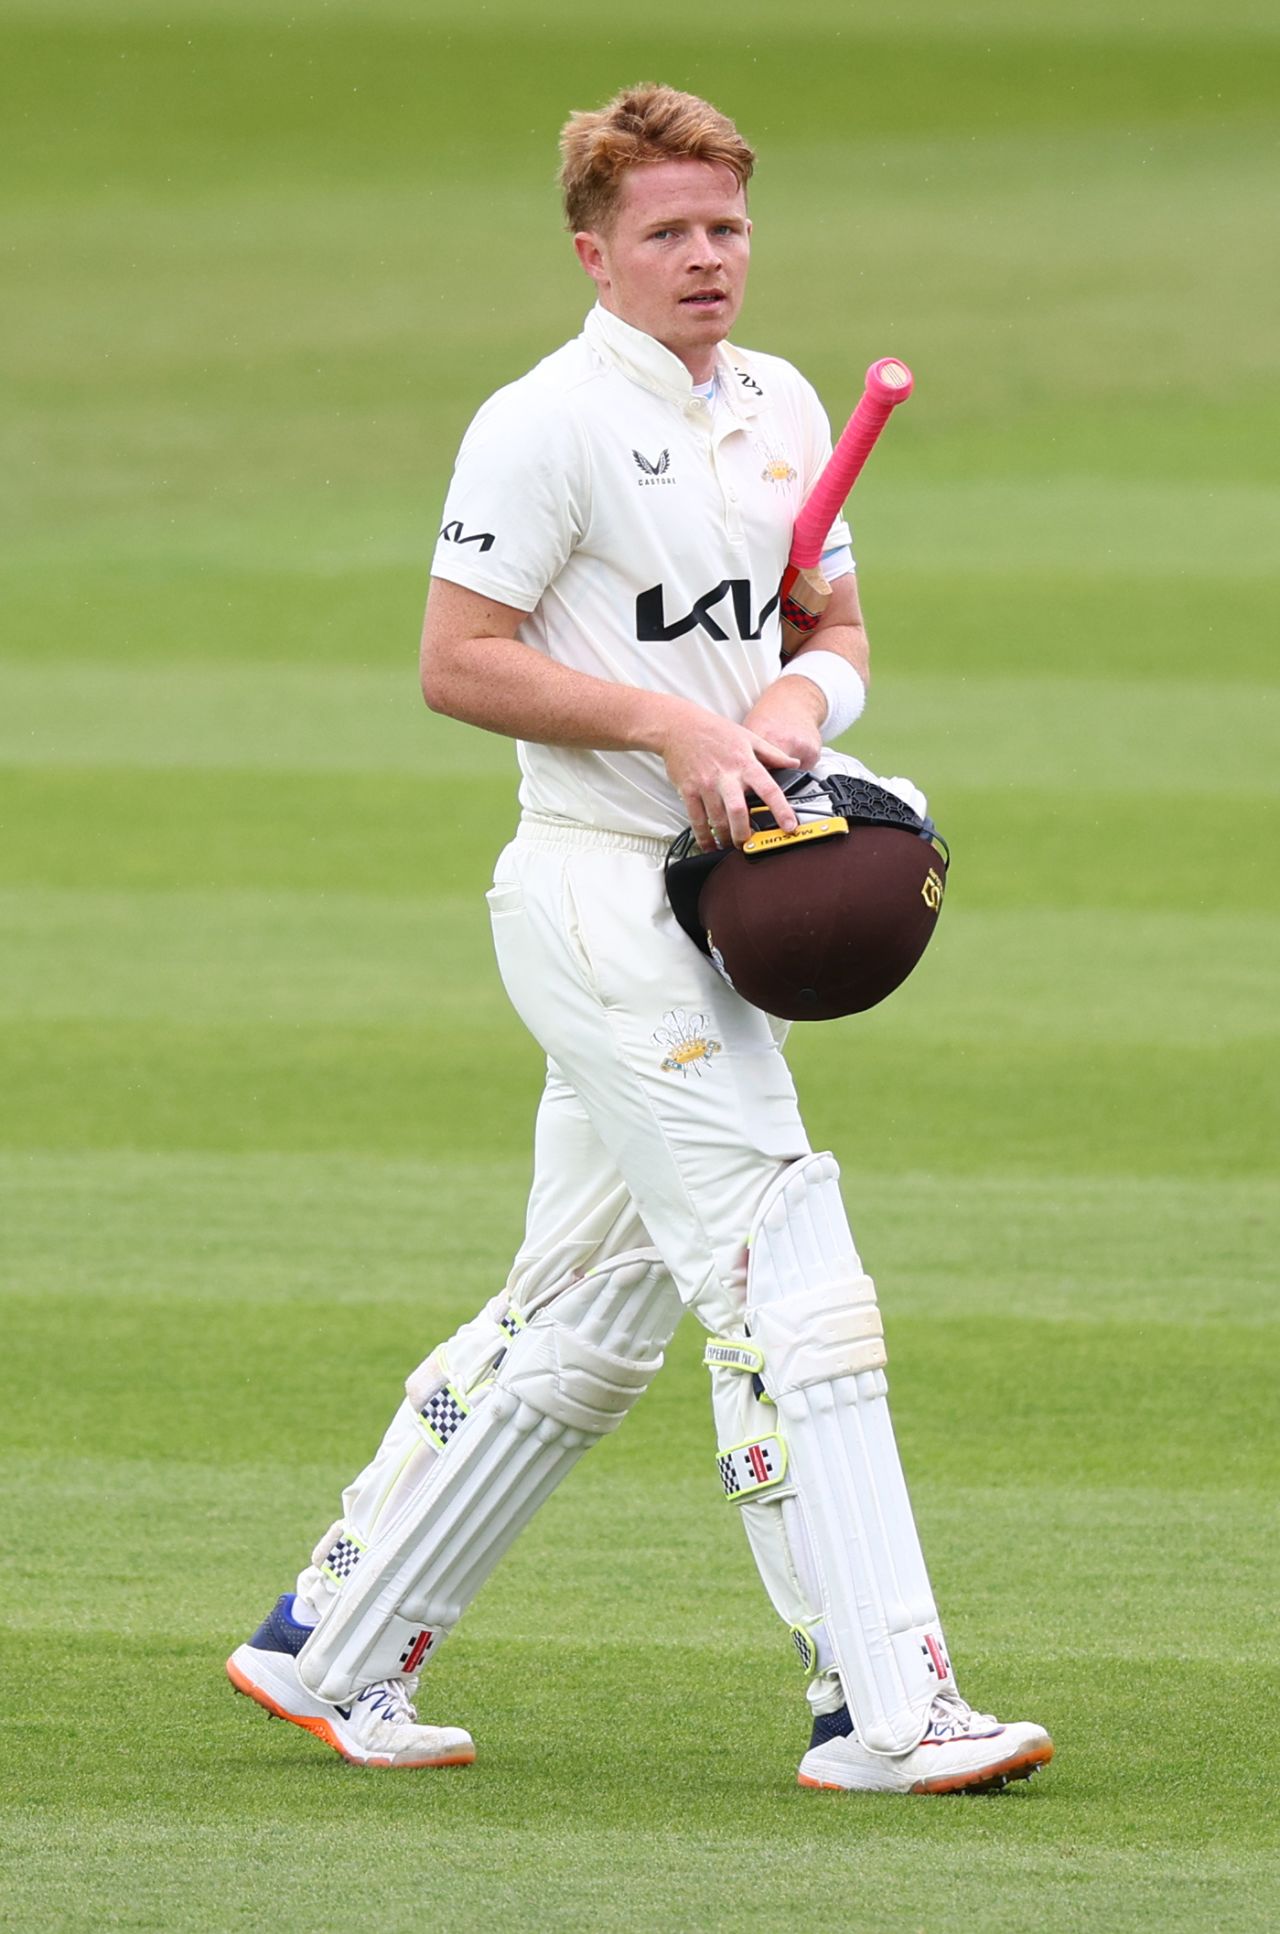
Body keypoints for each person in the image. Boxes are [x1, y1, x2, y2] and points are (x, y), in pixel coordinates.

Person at [227, 84, 1053, 1794]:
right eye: (667, 232)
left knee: (590, 1319)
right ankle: (886, 1708)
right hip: (601, 890)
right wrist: (671, 728)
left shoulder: (782, 402)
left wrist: (786, 709)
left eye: (727, 226)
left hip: (722, 888)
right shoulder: (540, 425)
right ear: (594, 253)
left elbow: (832, 627)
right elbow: (457, 659)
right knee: (786, 1269)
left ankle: (332, 1637)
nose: (706, 258)